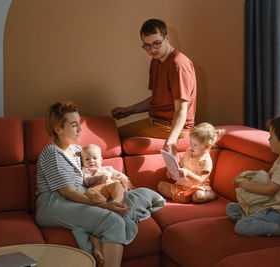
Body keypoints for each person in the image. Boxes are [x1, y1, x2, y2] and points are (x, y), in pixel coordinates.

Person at [35, 102, 165, 267]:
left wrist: (118, 180)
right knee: (114, 220)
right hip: (54, 202)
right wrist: (105, 205)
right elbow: (69, 193)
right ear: (57, 129)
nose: (80, 130)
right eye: (74, 125)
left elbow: (96, 171)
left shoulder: (76, 150)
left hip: (79, 195)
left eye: (79, 124)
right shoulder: (53, 154)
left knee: (135, 197)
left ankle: (96, 242)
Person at [111, 18, 197, 155]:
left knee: (112, 136)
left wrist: (171, 140)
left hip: (171, 127)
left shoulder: (178, 65)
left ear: (167, 38)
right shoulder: (155, 62)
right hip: (156, 122)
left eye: (156, 44)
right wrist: (129, 110)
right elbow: (156, 98)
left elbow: (181, 109)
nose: (152, 50)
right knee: (110, 133)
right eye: (147, 45)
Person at [226, 115, 280, 243]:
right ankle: (253, 220)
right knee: (231, 209)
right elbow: (269, 175)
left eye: (271, 137)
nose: (269, 139)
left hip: (279, 213)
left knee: (241, 227)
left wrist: (245, 185)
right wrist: (246, 176)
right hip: (268, 206)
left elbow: (269, 190)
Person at [157, 122, 221, 203]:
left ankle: (211, 195)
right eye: (190, 142)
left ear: (207, 146)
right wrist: (172, 171)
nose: (191, 146)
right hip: (182, 185)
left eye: (195, 145)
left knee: (198, 197)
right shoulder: (189, 150)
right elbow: (180, 165)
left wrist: (188, 173)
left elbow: (200, 180)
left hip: (198, 187)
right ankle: (185, 196)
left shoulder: (205, 161)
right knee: (160, 186)